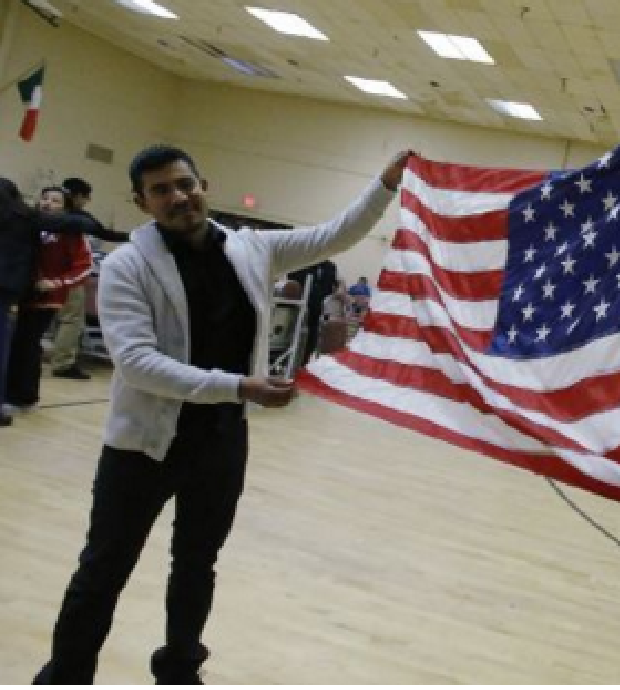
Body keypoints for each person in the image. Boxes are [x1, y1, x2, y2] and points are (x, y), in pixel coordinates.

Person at [33, 144, 411, 684]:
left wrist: (385, 184)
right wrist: (241, 387)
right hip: (142, 445)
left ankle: (181, 668)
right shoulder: (127, 267)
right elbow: (138, 364)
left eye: (184, 184)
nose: (177, 196)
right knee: (103, 569)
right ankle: (66, 676)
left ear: (202, 185)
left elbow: (335, 235)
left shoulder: (251, 249)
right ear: (142, 202)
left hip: (220, 441)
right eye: (161, 190)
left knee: (196, 564)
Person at [0, 179, 100, 427]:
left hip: (48, 298)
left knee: (28, 344)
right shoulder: (30, 224)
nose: (48, 203)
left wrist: (56, 283)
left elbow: (84, 266)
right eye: (45, 198)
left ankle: (26, 396)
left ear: (65, 207)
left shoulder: (70, 232)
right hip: (23, 294)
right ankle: (11, 393)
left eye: (55, 201)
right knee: (15, 345)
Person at [50, 177, 125, 381]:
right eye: (86, 197)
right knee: (72, 320)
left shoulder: (45, 215)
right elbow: (103, 234)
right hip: (68, 277)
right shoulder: (78, 218)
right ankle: (63, 363)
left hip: (46, 276)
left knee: (50, 319)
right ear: (78, 196)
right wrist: (134, 236)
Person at [287, 258, 337, 363]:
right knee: (292, 338)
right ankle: (288, 362)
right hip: (297, 309)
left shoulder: (330, 267)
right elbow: (292, 281)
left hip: (317, 310)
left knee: (311, 340)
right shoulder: (301, 262)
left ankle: (304, 363)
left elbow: (330, 287)